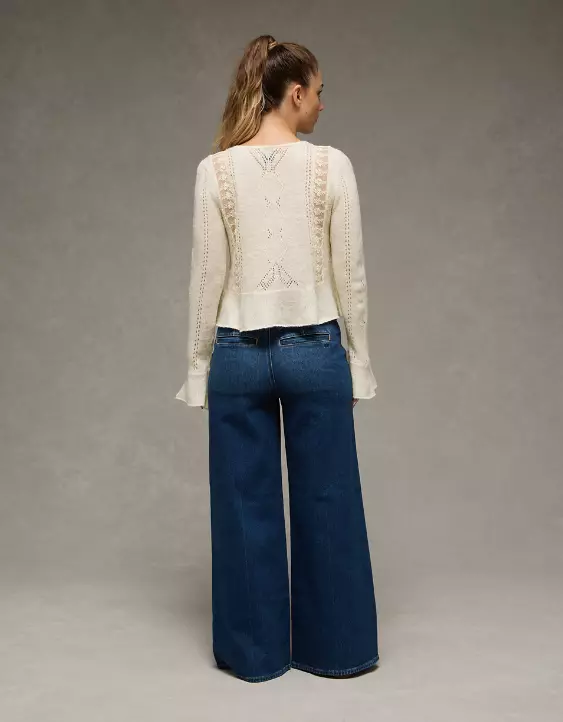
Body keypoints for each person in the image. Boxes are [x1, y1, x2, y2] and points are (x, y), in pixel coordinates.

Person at [174, 34, 379, 683]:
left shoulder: (215, 170)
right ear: (294, 94)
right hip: (315, 351)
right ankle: (337, 651)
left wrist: (197, 369)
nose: (321, 104)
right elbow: (350, 275)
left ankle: (254, 656)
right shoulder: (331, 166)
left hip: (237, 355)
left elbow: (205, 280)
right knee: (329, 500)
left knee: (243, 507)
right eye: (318, 92)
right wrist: (359, 360)